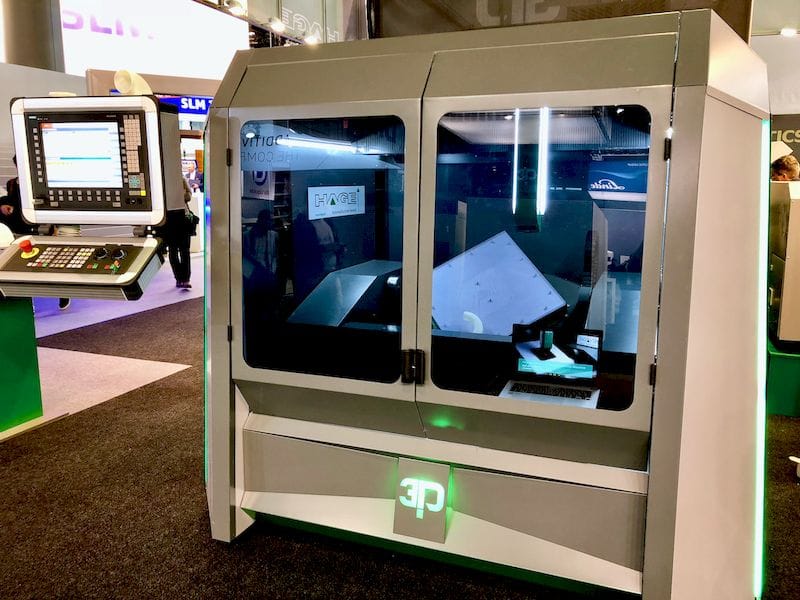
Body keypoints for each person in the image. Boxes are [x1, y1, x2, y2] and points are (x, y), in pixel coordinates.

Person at [158, 178, 195, 289]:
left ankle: (186, 278)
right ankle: (179, 278)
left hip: (183, 218)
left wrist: (180, 195)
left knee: (185, 250)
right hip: (169, 219)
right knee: (173, 250)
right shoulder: (161, 180)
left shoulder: (181, 179)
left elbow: (189, 195)